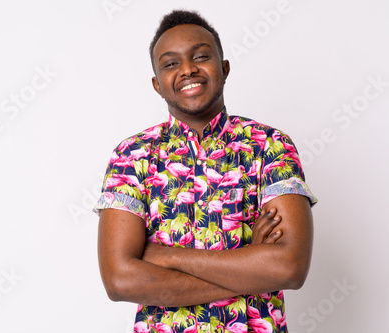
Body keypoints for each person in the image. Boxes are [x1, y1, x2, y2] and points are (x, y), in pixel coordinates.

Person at [94, 9, 317, 333]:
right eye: (171, 63)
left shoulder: (269, 145)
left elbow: (289, 267)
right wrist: (251, 266)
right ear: (157, 84)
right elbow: (120, 280)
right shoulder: (132, 157)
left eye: (200, 56)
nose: (187, 69)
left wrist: (167, 257)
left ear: (224, 68)